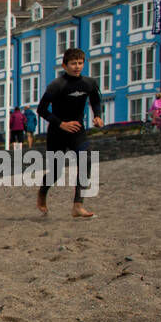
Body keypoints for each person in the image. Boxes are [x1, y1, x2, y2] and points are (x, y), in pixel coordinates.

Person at [36, 46, 103, 218]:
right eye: (73, 63)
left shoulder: (89, 83)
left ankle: (78, 205)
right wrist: (61, 124)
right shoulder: (57, 85)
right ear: (64, 65)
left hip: (77, 131)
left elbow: (96, 100)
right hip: (57, 133)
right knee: (56, 171)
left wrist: (98, 116)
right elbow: (41, 110)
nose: (77, 67)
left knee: (86, 160)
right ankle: (43, 193)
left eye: (80, 63)